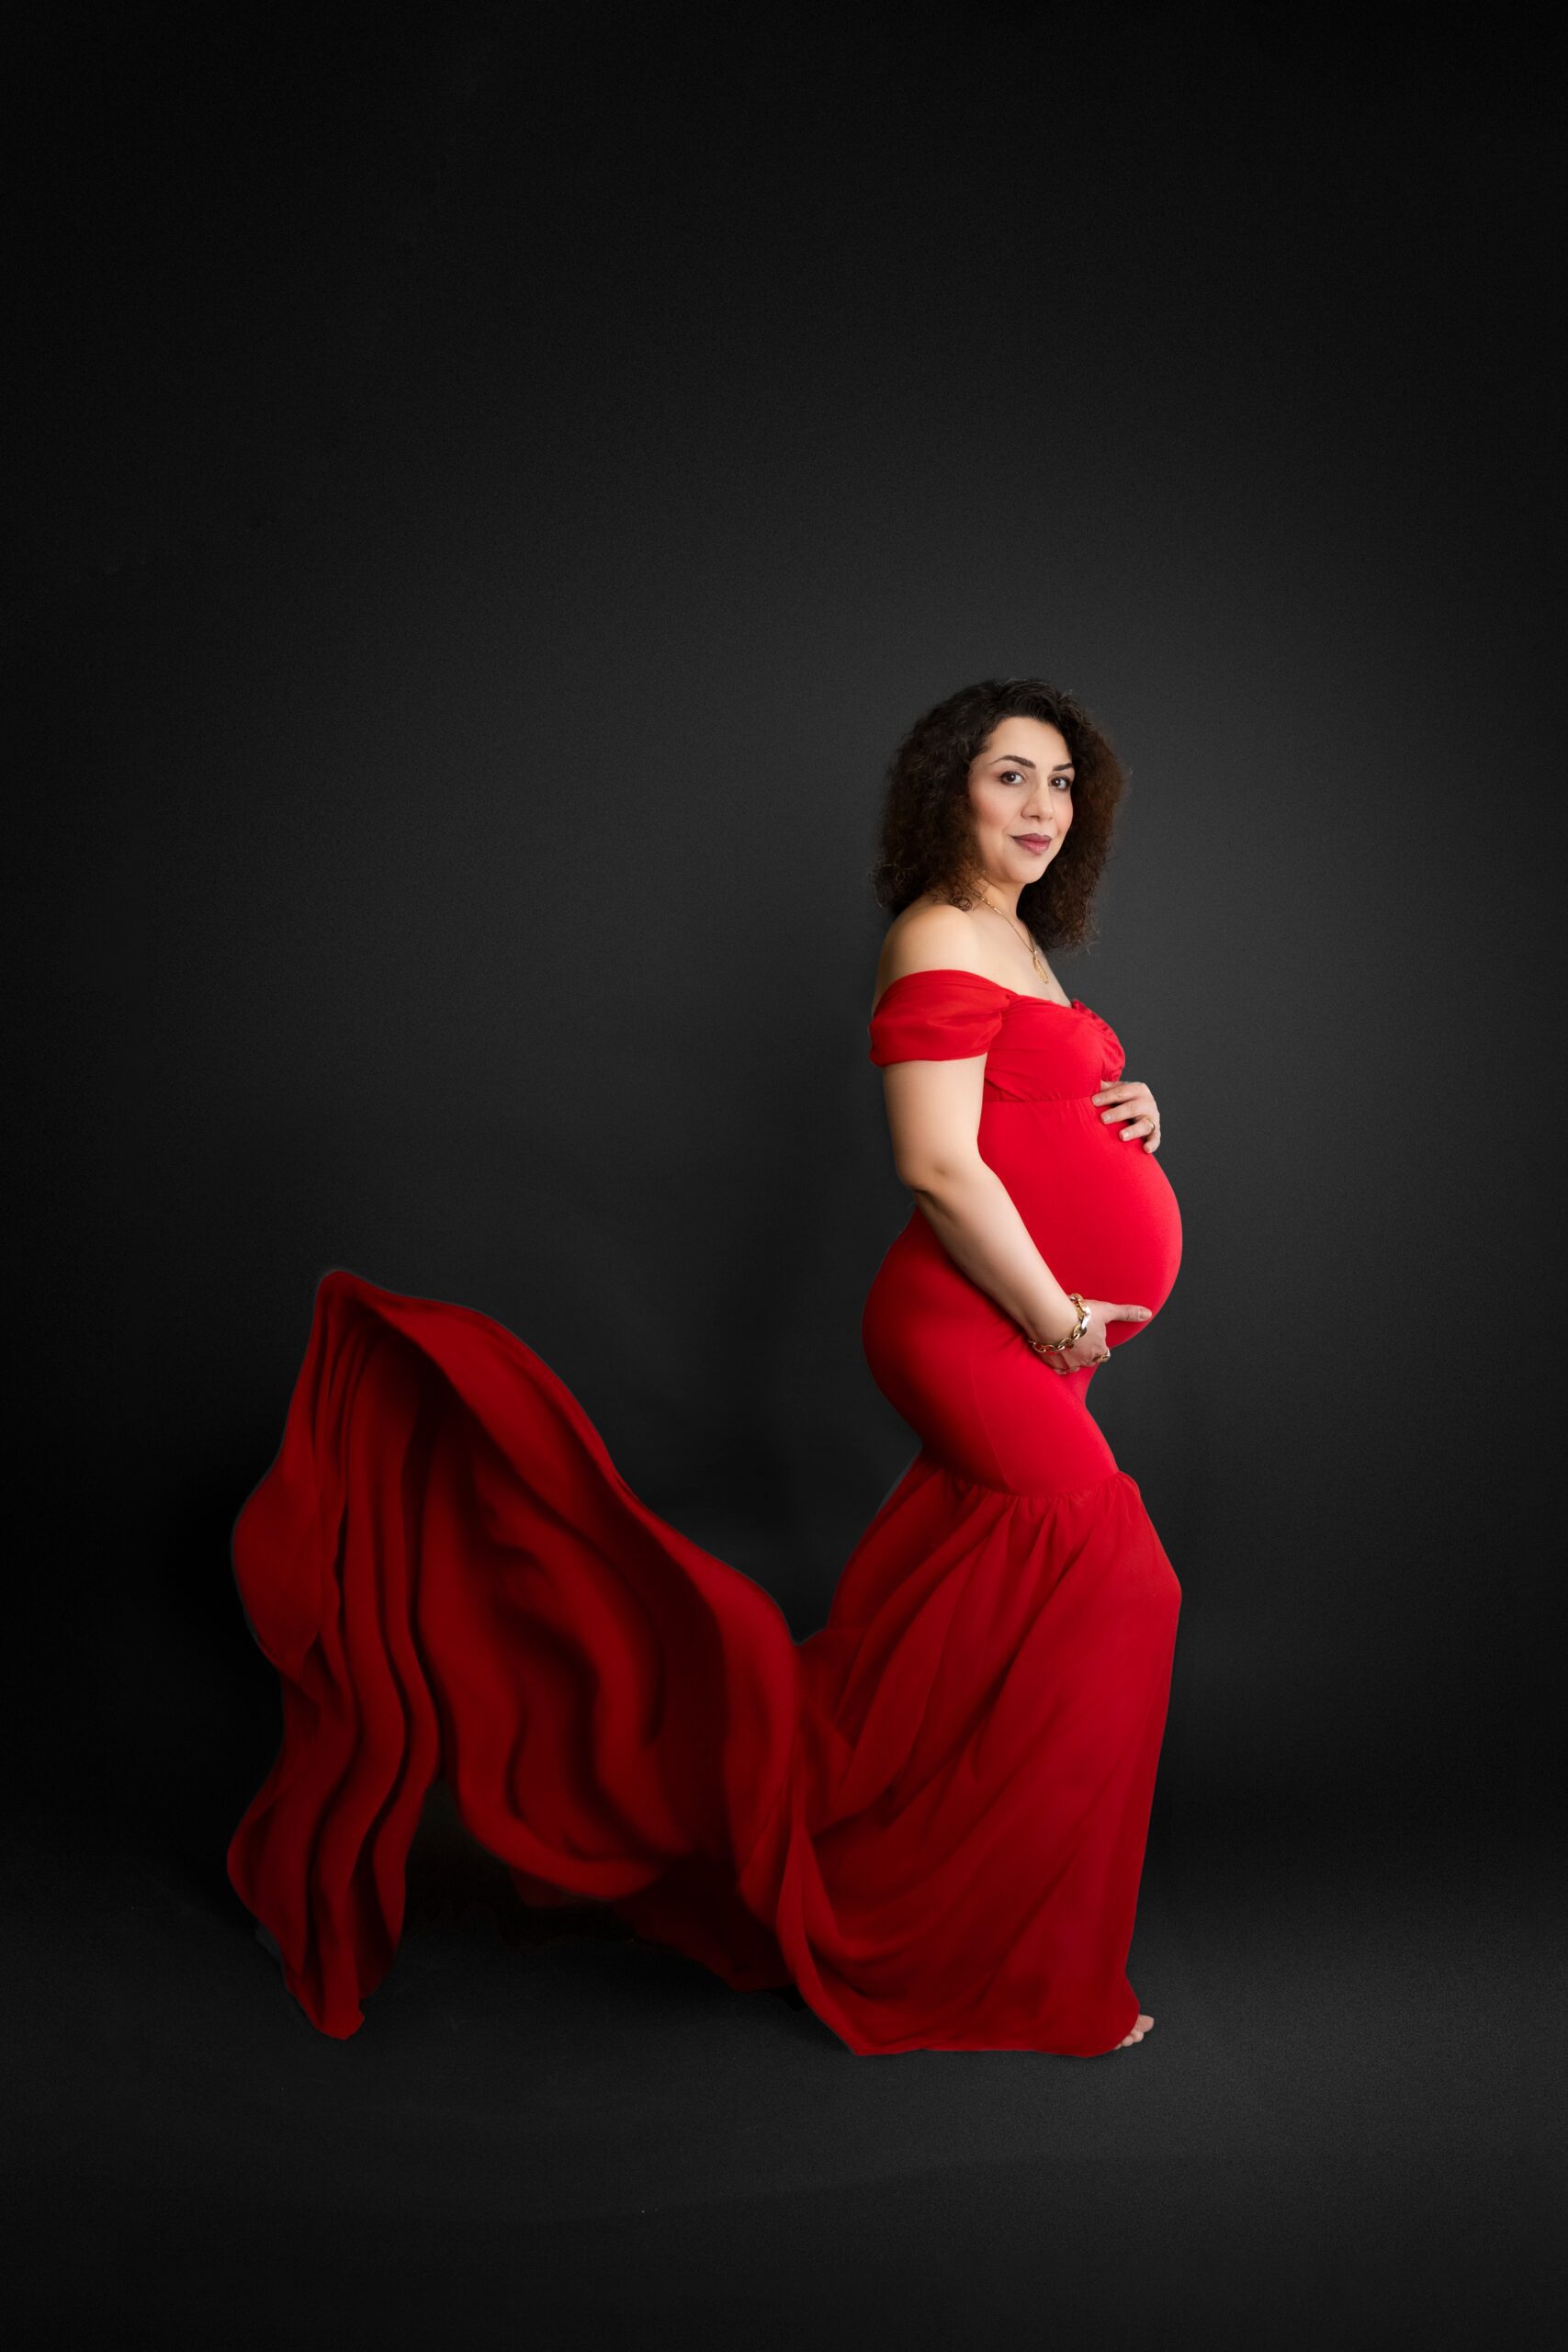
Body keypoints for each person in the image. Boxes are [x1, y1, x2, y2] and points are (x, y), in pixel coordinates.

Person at [228, 676, 1182, 2059]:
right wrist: (1049, 1311)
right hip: (979, 1326)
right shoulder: (935, 934)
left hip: (1040, 1332)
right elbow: (933, 1161)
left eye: (1062, 782)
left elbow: (1034, 1110)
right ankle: (1002, 1964)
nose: (1044, 807)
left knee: (960, 1642)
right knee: (1120, 1585)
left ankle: (921, 1899)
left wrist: (1131, 1106)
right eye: (1008, 778)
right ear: (947, 795)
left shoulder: (1021, 944)